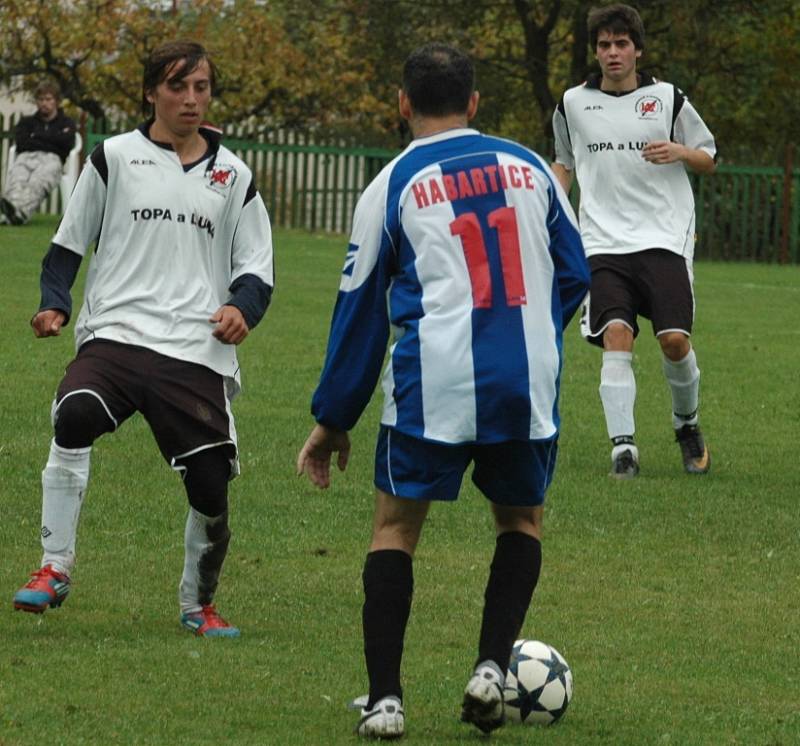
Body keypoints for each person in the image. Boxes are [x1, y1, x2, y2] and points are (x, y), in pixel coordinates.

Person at [297, 43, 589, 738]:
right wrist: (534, 333)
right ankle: (491, 667)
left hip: (435, 382)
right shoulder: (530, 169)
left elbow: (359, 308)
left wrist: (333, 418)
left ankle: (386, 702)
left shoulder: (392, 183)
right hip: (525, 380)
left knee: (395, 530)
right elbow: (576, 273)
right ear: (475, 103)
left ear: (403, 105)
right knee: (520, 523)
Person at [12, 41, 275, 638]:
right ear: (152, 91)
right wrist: (54, 303)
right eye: (178, 87)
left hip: (194, 348)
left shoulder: (234, 175)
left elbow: (258, 268)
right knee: (75, 414)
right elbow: (65, 247)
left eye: (201, 87)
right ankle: (55, 566)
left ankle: (196, 605)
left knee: (211, 486)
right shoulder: (113, 158)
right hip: (117, 334)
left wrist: (241, 308)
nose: (190, 99)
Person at [551, 3, 717, 479]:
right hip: (601, 240)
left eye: (621, 43)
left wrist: (680, 151)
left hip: (663, 235)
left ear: (638, 49)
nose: (612, 52)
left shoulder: (667, 99)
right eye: (604, 45)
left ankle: (687, 425)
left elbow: (710, 156)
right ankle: (623, 449)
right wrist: (548, 204)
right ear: (596, 52)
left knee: (672, 342)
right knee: (615, 335)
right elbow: (565, 163)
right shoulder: (572, 103)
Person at [0, 80, 77, 225]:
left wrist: (36, 137)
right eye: (41, 99)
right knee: (18, 179)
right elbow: (22, 143)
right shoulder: (26, 122)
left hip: (52, 160)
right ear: (36, 102)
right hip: (26, 157)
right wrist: (52, 139)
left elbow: (66, 145)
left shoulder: (67, 123)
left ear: (57, 102)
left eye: (48, 99)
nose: (44, 103)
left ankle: (14, 212)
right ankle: (16, 213)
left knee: (38, 182)